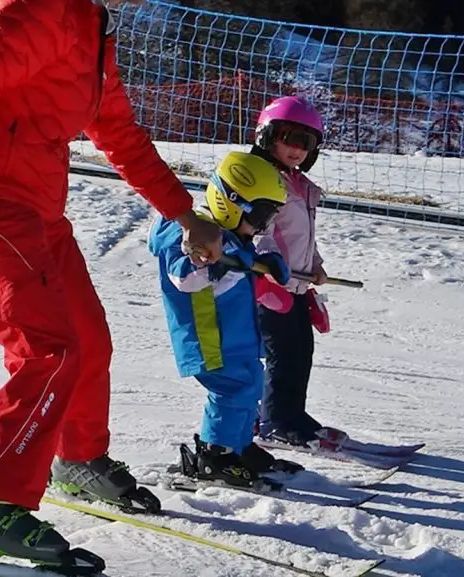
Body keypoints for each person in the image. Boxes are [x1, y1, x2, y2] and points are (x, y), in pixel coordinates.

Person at [0, 0, 224, 568]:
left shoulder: (91, 25)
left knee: (87, 339)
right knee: (47, 351)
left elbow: (119, 133)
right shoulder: (41, 9)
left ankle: (78, 461)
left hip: (37, 209)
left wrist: (185, 215)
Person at [148, 151, 304, 490]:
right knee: (232, 389)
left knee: (251, 383)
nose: (260, 226)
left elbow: (239, 257)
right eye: (260, 216)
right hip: (209, 336)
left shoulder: (230, 235)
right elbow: (185, 278)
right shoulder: (190, 232)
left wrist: (263, 260)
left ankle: (239, 446)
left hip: (236, 334)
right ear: (233, 202)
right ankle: (215, 455)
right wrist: (216, 263)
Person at [249, 96, 348, 451]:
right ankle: (275, 420)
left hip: (297, 282)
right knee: (282, 351)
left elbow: (303, 235)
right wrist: (273, 263)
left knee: (300, 348)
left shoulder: (300, 186)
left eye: (305, 143)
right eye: (288, 137)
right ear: (267, 135)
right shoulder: (260, 179)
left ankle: (292, 414)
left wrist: (315, 264)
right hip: (268, 283)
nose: (296, 149)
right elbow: (258, 232)